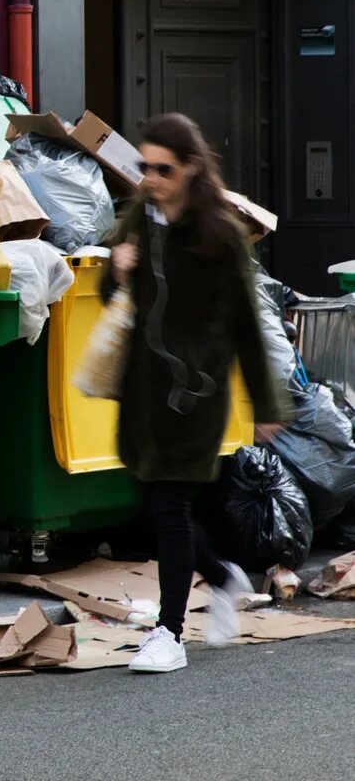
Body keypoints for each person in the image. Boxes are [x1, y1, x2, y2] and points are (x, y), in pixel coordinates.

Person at [107, 113, 286, 674]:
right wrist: (117, 269)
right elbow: (114, 290)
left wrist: (264, 404)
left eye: (162, 168)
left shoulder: (221, 236)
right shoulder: (140, 217)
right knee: (155, 506)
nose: (151, 177)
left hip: (196, 393)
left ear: (189, 169)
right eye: (144, 166)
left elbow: (247, 329)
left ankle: (169, 633)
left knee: (171, 505)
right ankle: (227, 576)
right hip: (141, 390)